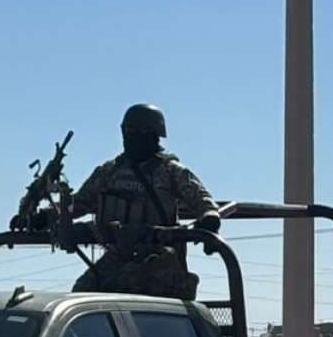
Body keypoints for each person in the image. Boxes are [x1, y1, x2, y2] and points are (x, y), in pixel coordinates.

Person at [69, 104, 222, 300]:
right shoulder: (109, 172)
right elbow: (78, 203)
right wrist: (45, 216)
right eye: (129, 132)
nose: (132, 138)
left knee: (127, 287)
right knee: (83, 294)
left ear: (153, 135)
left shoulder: (169, 171)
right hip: (118, 255)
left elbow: (202, 200)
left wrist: (209, 219)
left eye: (139, 133)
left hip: (158, 256)